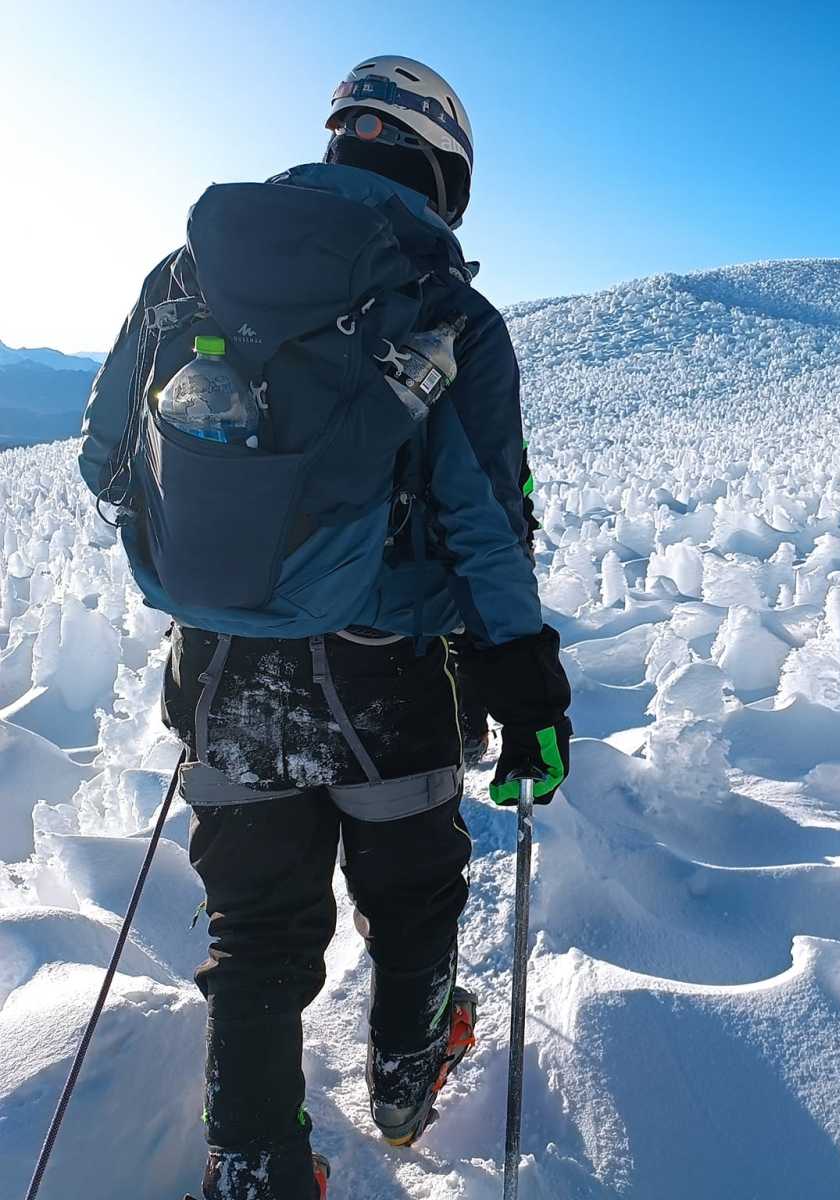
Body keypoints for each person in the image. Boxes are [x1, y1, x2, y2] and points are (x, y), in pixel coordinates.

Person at [77, 56, 571, 1200]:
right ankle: (406, 1085)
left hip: (218, 670)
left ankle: (254, 1165)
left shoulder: (187, 276)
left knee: (256, 935)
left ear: (339, 143)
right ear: (442, 166)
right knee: (412, 898)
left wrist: (234, 545)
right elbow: (483, 521)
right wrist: (524, 682)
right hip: (390, 678)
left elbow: (107, 457)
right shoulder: (448, 309)